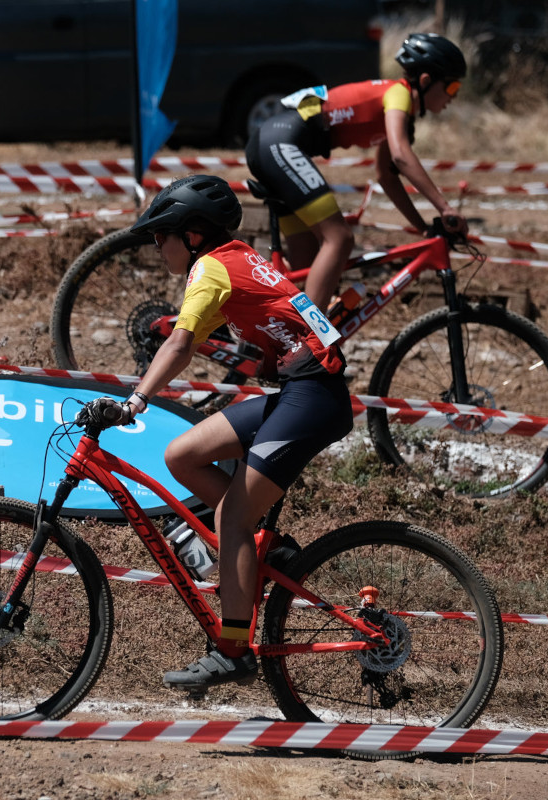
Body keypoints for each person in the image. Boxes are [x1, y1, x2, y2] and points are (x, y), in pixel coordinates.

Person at [99, 174, 354, 690]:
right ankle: (265, 548)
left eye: (161, 236)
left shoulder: (210, 268)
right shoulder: (236, 258)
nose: (157, 246)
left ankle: (233, 650)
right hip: (304, 391)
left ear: (192, 234)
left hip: (312, 399)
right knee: (183, 454)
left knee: (230, 517)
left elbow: (179, 344)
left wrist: (135, 401)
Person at [245, 31, 470, 310]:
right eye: (452, 87)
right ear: (425, 81)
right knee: (339, 238)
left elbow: (387, 176)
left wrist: (423, 228)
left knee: (305, 265)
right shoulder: (398, 93)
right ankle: (311, 334)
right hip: (279, 143)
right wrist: (445, 208)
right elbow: (401, 155)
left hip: (272, 144)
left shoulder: (402, 113)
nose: (454, 97)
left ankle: (253, 313)